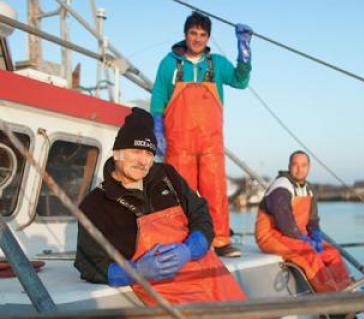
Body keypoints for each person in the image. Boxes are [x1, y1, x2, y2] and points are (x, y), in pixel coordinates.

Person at [74, 107, 247, 305]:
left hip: (212, 276)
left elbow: (201, 214)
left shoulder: (167, 175)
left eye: (149, 153)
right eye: (136, 151)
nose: (143, 160)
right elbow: (88, 264)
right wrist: (136, 271)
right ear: (117, 153)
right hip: (166, 291)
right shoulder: (93, 205)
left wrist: (190, 250)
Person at [150, 12, 253, 257]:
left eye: (202, 35)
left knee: (214, 190)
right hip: (178, 142)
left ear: (208, 38)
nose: (197, 39)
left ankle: (219, 241)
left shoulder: (216, 64)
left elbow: (240, 80)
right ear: (185, 34)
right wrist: (157, 128)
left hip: (210, 142)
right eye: (193, 33)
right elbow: (158, 98)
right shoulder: (169, 63)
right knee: (179, 192)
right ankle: (181, 240)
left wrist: (245, 50)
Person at [255, 150, 352, 293]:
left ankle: (345, 287)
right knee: (309, 255)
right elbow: (285, 223)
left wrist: (316, 235)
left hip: (297, 236)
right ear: (289, 166)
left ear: (309, 168)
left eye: (303, 165)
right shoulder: (281, 187)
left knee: (331, 253)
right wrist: (305, 240)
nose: (299, 169)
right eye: (295, 165)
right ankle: (329, 294)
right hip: (271, 235)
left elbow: (313, 219)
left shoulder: (309, 190)